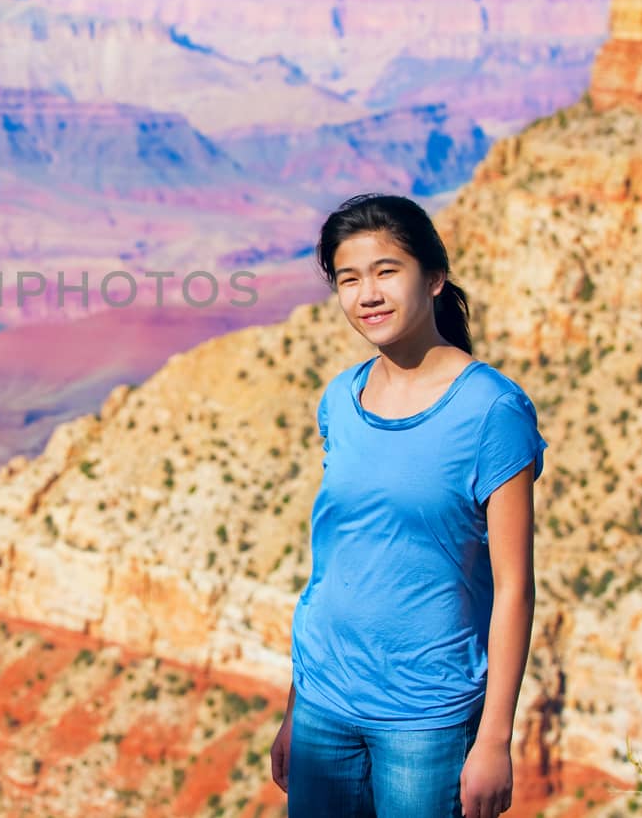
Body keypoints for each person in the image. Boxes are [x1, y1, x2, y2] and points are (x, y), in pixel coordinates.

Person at [269, 192, 546, 818]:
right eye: (349, 278)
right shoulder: (341, 398)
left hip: (427, 722)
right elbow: (334, 570)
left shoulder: (492, 411)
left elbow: (514, 589)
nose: (368, 294)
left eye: (387, 271)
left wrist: (495, 740)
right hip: (323, 710)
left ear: (435, 277)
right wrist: (296, 709)